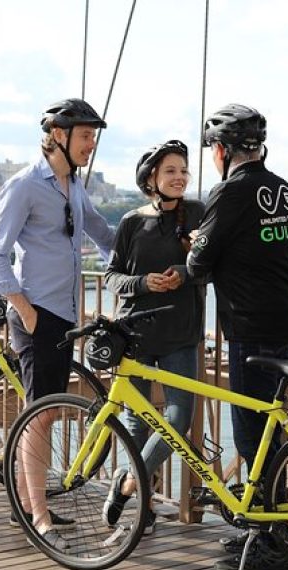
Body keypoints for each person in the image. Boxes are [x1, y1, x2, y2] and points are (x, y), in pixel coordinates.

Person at [0, 98, 115, 549]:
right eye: (84, 136)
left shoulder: (73, 185)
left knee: (45, 411)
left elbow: (103, 234)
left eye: (93, 136)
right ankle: (38, 517)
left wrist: (151, 260)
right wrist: (25, 309)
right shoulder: (24, 186)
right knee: (40, 416)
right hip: (38, 313)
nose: (90, 144)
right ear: (58, 135)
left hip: (62, 314)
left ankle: (27, 501)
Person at [186, 103, 288, 570]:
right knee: (267, 431)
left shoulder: (231, 192)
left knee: (252, 435)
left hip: (249, 327)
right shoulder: (284, 190)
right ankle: (263, 529)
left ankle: (272, 546)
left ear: (220, 151)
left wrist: (196, 242)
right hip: (285, 321)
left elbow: (198, 264)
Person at [101, 140, 205, 536]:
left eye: (183, 171)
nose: (179, 178)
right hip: (137, 334)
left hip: (181, 334)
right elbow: (112, 277)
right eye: (170, 172)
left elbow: (211, 267)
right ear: (151, 179)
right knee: (137, 422)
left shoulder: (198, 214)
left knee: (177, 419)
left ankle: (128, 484)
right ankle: (143, 504)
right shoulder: (131, 222)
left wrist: (185, 272)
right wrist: (144, 282)